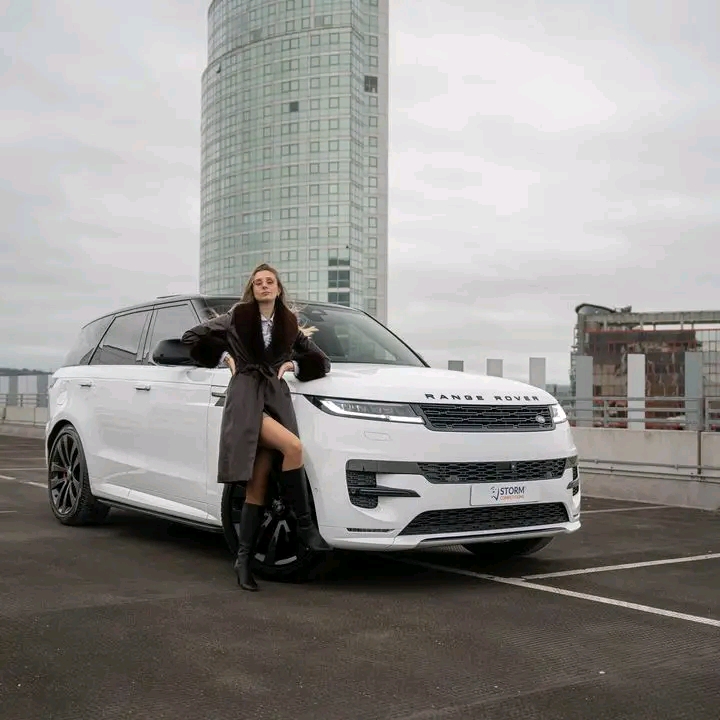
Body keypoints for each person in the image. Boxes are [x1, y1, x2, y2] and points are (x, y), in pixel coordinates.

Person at [181, 263, 332, 591]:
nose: (264, 286)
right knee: (293, 447)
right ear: (252, 288)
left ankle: (243, 561)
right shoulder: (236, 316)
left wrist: (294, 364)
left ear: (278, 288)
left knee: (257, 485)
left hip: (275, 397)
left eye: (269, 281)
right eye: (258, 282)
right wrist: (224, 356)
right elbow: (191, 337)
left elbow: (321, 361)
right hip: (246, 396)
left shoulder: (289, 324)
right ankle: (306, 527)